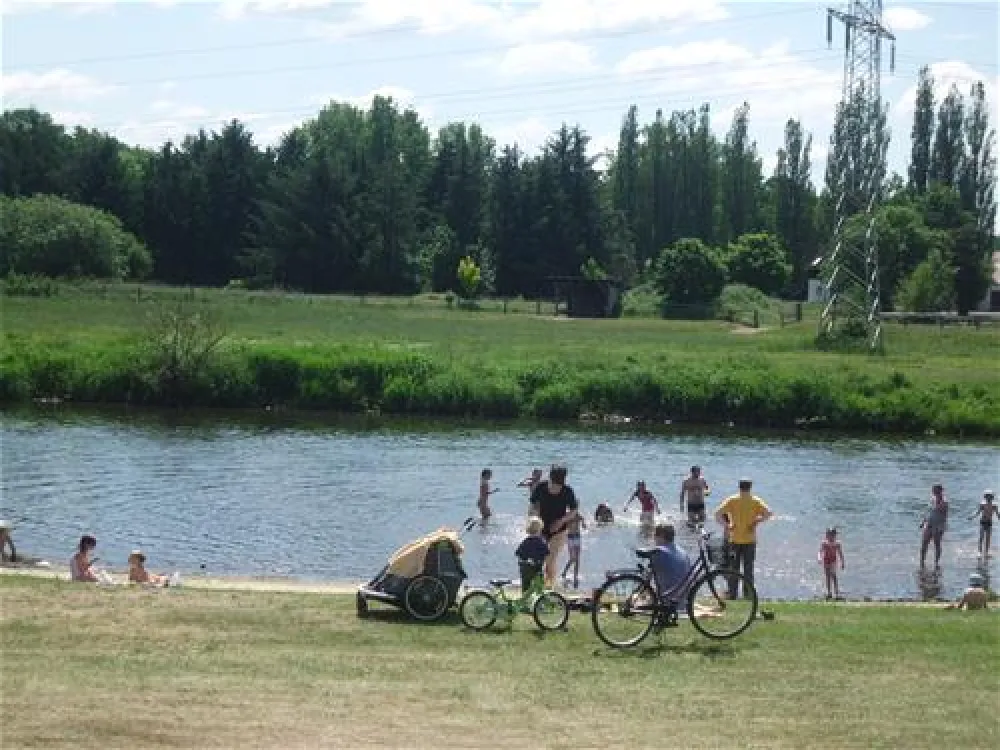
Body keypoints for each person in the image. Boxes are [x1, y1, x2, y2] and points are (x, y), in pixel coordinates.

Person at [714, 479, 772, 599]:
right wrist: (757, 521)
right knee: (748, 570)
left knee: (733, 569)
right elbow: (769, 513)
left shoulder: (732, 500)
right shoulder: (755, 501)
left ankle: (732, 594)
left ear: (739, 487)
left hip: (734, 540)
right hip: (750, 541)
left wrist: (728, 525)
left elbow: (717, 514)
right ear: (750, 487)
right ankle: (748, 595)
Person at [528, 464, 579, 588]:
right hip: (540, 528)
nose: (555, 488)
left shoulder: (567, 491)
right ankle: (538, 587)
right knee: (537, 560)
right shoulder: (541, 487)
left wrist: (561, 521)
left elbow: (574, 511)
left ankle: (549, 589)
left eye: (558, 485)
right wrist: (536, 521)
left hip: (559, 531)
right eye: (553, 485)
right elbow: (533, 506)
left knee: (550, 561)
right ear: (550, 477)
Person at [650, 523, 692, 604]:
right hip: (683, 601)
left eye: (655, 535)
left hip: (667, 602)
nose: (654, 538)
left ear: (661, 536)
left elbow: (647, 578)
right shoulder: (684, 552)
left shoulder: (658, 552)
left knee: (639, 595)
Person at [515, 517, 550, 593]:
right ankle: (539, 600)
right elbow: (547, 554)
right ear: (540, 529)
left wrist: (523, 562)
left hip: (525, 568)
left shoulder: (525, 541)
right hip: (536, 568)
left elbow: (518, 553)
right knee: (539, 585)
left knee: (525, 585)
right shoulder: (541, 542)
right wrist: (546, 566)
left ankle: (524, 600)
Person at [919, 483, 948, 568]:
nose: (932, 491)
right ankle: (922, 561)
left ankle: (936, 562)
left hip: (938, 525)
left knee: (937, 544)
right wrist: (923, 521)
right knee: (924, 543)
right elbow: (929, 512)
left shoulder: (944, 501)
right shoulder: (933, 499)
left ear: (939, 491)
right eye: (933, 489)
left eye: (934, 489)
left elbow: (937, 510)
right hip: (929, 524)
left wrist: (936, 503)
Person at [560, 508, 587, 589]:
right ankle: (564, 572)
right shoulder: (568, 515)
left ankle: (575, 576)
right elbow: (564, 525)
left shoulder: (578, 515)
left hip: (577, 537)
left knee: (577, 559)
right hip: (570, 537)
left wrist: (583, 524)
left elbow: (583, 521)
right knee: (572, 559)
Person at [818, 528, 845, 599]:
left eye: (833, 535)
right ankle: (829, 592)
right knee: (827, 576)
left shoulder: (837, 543)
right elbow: (820, 551)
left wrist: (842, 562)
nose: (832, 537)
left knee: (834, 575)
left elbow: (840, 553)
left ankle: (836, 592)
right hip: (826, 560)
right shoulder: (824, 543)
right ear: (827, 535)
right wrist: (819, 558)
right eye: (830, 535)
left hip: (833, 561)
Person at [971, 490, 999, 558]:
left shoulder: (994, 505)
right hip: (982, 522)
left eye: (990, 496)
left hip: (989, 523)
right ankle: (979, 552)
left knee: (988, 538)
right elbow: (978, 512)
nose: (988, 498)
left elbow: (998, 514)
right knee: (981, 537)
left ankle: (986, 552)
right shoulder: (982, 504)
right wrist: (972, 516)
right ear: (985, 497)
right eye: (987, 496)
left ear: (992, 497)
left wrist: (999, 517)